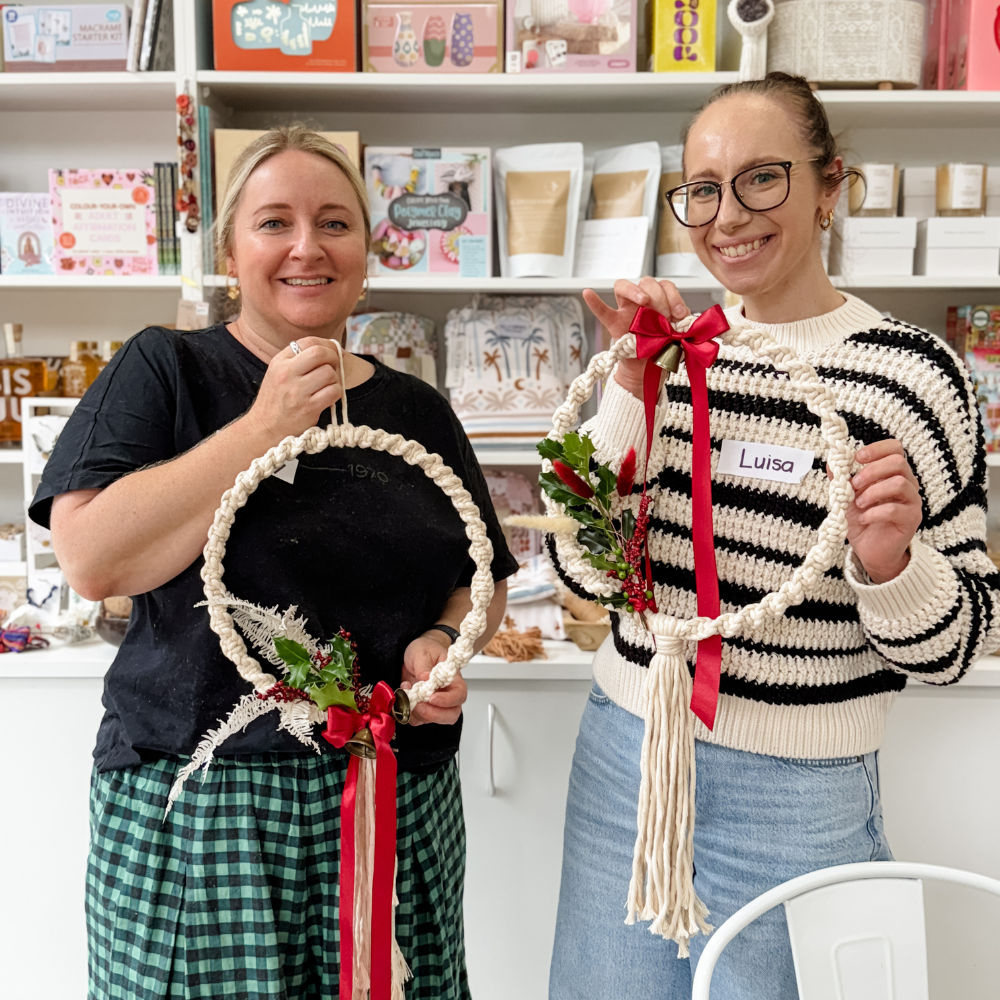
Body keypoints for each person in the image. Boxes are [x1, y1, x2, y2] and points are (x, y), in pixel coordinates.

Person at [29, 126, 517, 1000]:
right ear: (230, 253)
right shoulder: (166, 368)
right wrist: (265, 426)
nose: (306, 247)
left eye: (334, 223)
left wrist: (445, 642)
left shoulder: (416, 409)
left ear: (367, 253)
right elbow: (93, 561)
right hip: (204, 799)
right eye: (273, 223)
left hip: (391, 798)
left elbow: (479, 580)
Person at [548, 73, 1000, 999]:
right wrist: (630, 390)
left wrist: (891, 566)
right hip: (627, 757)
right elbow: (581, 569)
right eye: (703, 189)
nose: (727, 217)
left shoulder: (913, 377)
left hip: (798, 793)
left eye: (762, 178)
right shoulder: (674, 353)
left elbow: (960, 643)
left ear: (830, 185)